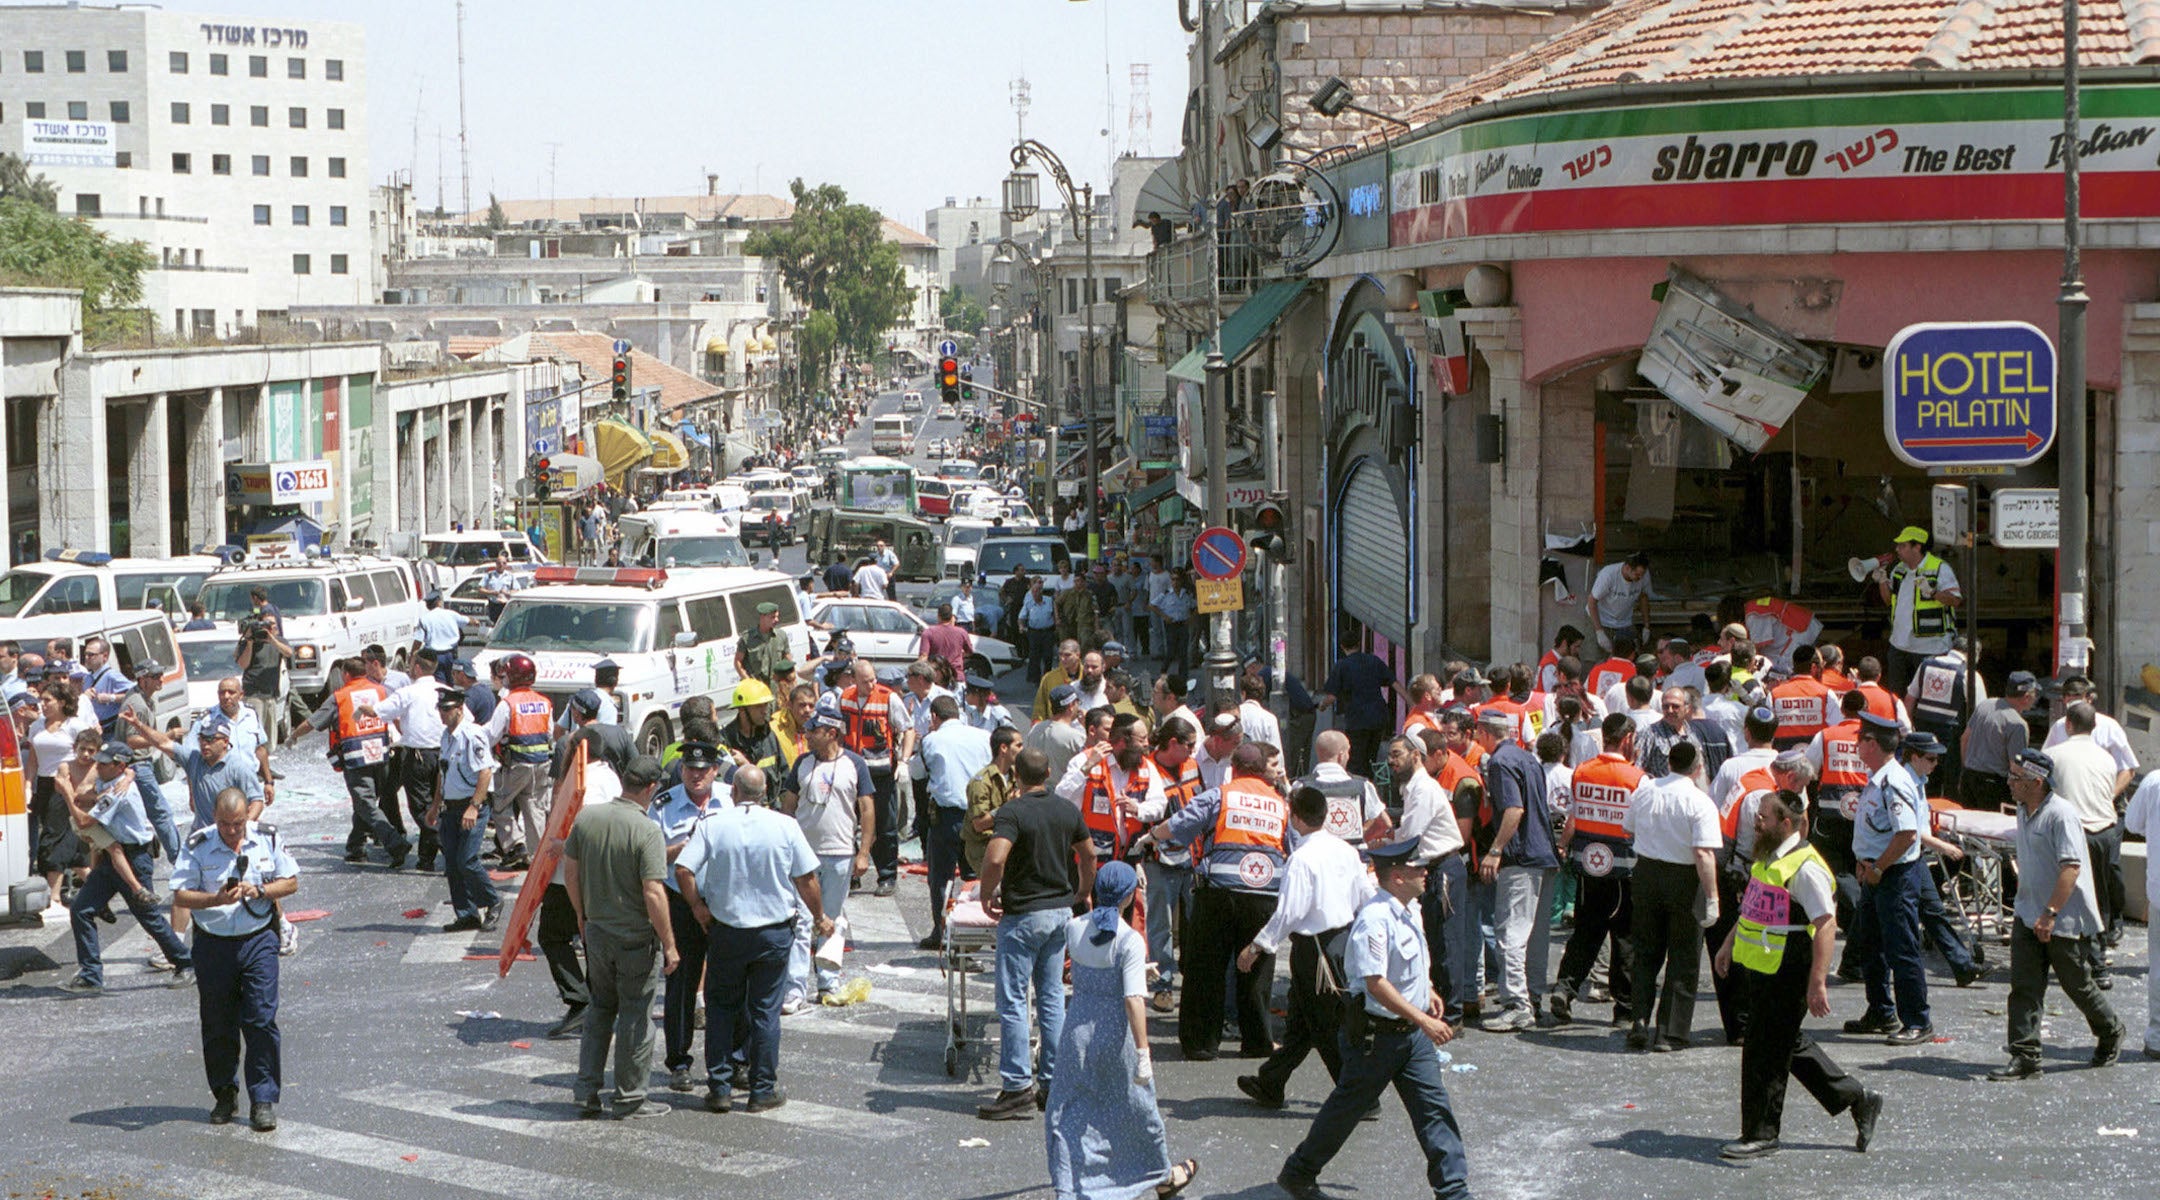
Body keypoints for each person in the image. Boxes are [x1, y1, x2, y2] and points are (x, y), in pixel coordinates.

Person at [1275, 836, 1471, 1200]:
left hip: (1410, 1037)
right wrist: (1425, 1020)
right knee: (1345, 1112)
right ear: (1397, 876)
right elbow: (1376, 983)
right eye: (1416, 868)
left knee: (1434, 1113)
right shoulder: (1375, 918)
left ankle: (1454, 1192)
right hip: (1375, 1039)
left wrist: (1426, 988)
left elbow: (1410, 962)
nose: (1424, 872)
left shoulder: (1409, 908)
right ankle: (1298, 1172)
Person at [1710, 789, 1881, 1159]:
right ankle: (1857, 1097)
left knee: (1764, 1050)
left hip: (1790, 966)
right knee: (1784, 1041)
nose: (1756, 823)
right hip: (1764, 965)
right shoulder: (1768, 858)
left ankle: (1761, 1133)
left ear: (1785, 823)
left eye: (1764, 818)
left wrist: (1817, 982)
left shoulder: (1805, 867)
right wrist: (1727, 944)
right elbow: (1753, 909)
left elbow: (1825, 925)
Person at [678, 763, 833, 1114]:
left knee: (721, 1010)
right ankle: (762, 1088)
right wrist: (821, 917)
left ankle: (719, 1087)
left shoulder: (713, 825)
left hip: (727, 932)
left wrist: (698, 908)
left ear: (733, 792)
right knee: (765, 1011)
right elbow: (807, 879)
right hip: (772, 933)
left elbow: (683, 869)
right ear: (765, 794)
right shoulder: (785, 826)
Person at [1044, 860, 1201, 1200]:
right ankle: (1158, 1175)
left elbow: (1083, 970)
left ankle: (1068, 1185)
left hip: (1077, 1030)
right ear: (1130, 896)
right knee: (1135, 1108)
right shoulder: (1129, 940)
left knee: (1069, 1108)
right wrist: (1144, 1051)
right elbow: (1132, 999)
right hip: (1115, 1034)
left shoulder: (1074, 927)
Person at [1987, 749, 2125, 1080]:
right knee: (2024, 987)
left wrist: (2050, 914)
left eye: (2016, 778)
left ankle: (2110, 1030)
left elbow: (2071, 868)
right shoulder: (2023, 809)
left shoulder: (2060, 815)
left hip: (2062, 918)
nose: (2009, 783)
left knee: (2077, 984)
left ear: (2037, 782)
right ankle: (2025, 1055)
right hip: (2028, 911)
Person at [1149, 743, 1289, 1061]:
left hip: (1219, 891)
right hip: (1264, 894)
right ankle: (1256, 1042)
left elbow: (1181, 823)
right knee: (1257, 969)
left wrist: (1154, 836)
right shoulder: (1280, 804)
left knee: (1205, 967)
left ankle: (1201, 1043)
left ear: (1235, 768)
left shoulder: (1221, 795)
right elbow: (1291, 845)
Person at [1237, 784, 1373, 1109]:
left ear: (1295, 818)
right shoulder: (1345, 850)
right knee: (1303, 1021)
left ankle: (1359, 1096)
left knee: (1324, 1025)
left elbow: (1290, 912)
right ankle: (1272, 1081)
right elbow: (1365, 895)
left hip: (1315, 950)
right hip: (1340, 941)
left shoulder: (1302, 858)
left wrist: (1256, 947)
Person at [171, 787, 298, 1132]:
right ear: (215, 819)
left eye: (238, 824)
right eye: (225, 825)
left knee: (260, 1018)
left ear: (247, 818)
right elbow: (180, 893)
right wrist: (215, 899)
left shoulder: (267, 838)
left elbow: (291, 883)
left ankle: (263, 1100)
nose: (232, 831)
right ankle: (225, 1094)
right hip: (213, 943)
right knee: (218, 1023)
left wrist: (260, 891)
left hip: (258, 938)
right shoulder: (199, 843)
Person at [977, 748, 1094, 1120]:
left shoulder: (1012, 811)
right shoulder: (1066, 809)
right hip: (1059, 912)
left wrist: (985, 893)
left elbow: (995, 857)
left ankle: (1016, 1086)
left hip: (1024, 913)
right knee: (1052, 997)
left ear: (1018, 777)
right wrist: (1082, 891)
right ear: (1047, 773)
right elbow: (1088, 854)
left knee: (1013, 1001)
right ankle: (1052, 1081)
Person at [565, 753, 679, 1119]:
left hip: (597, 931)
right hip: (634, 937)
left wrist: (582, 916)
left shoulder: (588, 818)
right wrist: (670, 944)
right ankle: (630, 1096)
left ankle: (586, 1091)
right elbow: (653, 892)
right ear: (650, 788)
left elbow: (571, 872)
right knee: (635, 1015)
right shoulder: (646, 830)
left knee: (599, 1009)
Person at [59, 738, 197, 993]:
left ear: (118, 766)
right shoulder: (112, 779)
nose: (97, 766)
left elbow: (86, 820)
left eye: (104, 763)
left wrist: (67, 794)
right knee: (81, 909)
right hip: (113, 856)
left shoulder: (117, 793)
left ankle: (185, 963)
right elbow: (97, 788)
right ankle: (91, 975)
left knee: (148, 917)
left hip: (134, 858)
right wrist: (129, 774)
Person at [1622, 739, 1721, 1051]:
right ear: (1697, 768)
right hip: (1684, 879)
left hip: (1647, 874)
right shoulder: (1700, 801)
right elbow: (1704, 854)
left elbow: (1628, 829)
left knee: (1645, 951)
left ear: (1669, 763)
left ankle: (1638, 1018)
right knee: (1683, 956)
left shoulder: (1646, 790)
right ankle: (1670, 1032)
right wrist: (1713, 896)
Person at [1842, 711, 1933, 1044]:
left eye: (1861, 740)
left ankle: (1918, 1021)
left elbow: (1907, 833)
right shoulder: (1878, 777)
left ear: (1872, 743)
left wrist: (1878, 867)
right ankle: (1880, 1011)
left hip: (1893, 875)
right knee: (1871, 947)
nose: (1856, 745)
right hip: (1876, 872)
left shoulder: (1893, 780)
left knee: (1901, 948)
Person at [775, 696, 873, 1008]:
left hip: (841, 854)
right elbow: (788, 807)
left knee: (829, 919)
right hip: (804, 858)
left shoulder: (855, 764)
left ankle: (828, 983)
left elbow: (867, 809)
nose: (807, 733)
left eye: (814, 729)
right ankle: (795, 987)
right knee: (803, 920)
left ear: (831, 733)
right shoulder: (802, 764)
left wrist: (864, 852)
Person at [1475, 710, 1560, 1031]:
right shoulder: (1528, 758)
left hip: (1521, 857)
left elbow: (1514, 809)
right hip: (1544, 855)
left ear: (1484, 733)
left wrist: (1495, 850)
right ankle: (1533, 997)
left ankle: (1517, 1004)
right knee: (1536, 937)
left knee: (1510, 935)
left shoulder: (1499, 763)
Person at [650, 741, 724, 1085]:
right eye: (690, 769)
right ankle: (678, 1061)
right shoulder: (664, 805)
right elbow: (648, 857)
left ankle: (730, 1061)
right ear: (681, 770)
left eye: (704, 769)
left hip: (724, 903)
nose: (696, 776)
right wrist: (675, 851)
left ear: (716, 770)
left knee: (728, 984)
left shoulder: (731, 799)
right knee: (680, 982)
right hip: (680, 902)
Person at [291, 658, 408, 869]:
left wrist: (294, 736)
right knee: (363, 802)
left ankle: (395, 842)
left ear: (346, 674)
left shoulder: (340, 696)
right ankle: (356, 847)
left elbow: (313, 722)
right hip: (381, 755)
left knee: (365, 803)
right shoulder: (380, 691)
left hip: (356, 757)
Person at [2047, 700, 2130, 985]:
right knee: (2099, 899)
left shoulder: (2053, 755)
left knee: (2067, 896)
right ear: (2094, 728)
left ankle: (2080, 962)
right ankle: (2098, 965)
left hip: (2075, 832)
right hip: (2105, 831)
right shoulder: (2107, 758)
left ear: (2067, 724)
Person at [362, 652, 449, 873]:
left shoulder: (408, 692)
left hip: (418, 756)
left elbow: (378, 711)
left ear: (418, 668)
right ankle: (426, 859)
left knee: (421, 808)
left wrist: (361, 707)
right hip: (445, 755)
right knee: (436, 804)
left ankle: (449, 845)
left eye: (411, 665)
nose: (409, 669)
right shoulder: (446, 692)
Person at [920, 695, 993, 949]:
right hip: (980, 815)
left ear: (934, 717)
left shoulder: (931, 740)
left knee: (941, 877)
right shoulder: (983, 736)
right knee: (976, 876)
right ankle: (979, 930)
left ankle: (941, 932)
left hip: (946, 815)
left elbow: (922, 772)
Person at [838, 658, 911, 897]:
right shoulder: (845, 697)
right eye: (866, 681)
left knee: (885, 825)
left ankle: (887, 876)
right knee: (848, 824)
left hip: (880, 773)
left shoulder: (888, 698)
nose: (872, 685)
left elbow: (907, 728)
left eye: (873, 679)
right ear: (854, 680)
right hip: (851, 772)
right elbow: (839, 730)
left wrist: (903, 761)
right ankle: (852, 875)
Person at [430, 687, 500, 933]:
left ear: (459, 709)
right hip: (450, 807)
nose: (442, 714)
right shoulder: (446, 736)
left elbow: (485, 771)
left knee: (467, 860)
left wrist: (474, 806)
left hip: (472, 806)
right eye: (440, 709)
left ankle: (493, 901)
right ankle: (467, 914)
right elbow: (443, 771)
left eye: (447, 709)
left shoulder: (472, 735)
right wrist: (435, 804)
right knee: (452, 864)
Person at [484, 653, 556, 871]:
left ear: (512, 676)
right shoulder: (544, 702)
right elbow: (550, 733)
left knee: (500, 805)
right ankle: (539, 858)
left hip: (515, 766)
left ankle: (516, 845)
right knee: (534, 809)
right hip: (542, 765)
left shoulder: (508, 704)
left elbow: (491, 735)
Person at [1869, 527, 1961, 692]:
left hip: (1930, 647)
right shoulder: (1899, 569)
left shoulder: (1940, 568)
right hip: (1899, 644)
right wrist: (1882, 581)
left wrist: (1932, 592)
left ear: (1917, 547)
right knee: (1897, 693)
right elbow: (1889, 600)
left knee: (1929, 695)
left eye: (1902, 546)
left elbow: (1955, 600)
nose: (1897, 549)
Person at [1318, 631, 1396, 778]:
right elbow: (1394, 683)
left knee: (1356, 761)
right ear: (1359, 644)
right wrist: (1411, 702)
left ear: (1342, 646)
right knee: (1371, 757)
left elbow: (1332, 697)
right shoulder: (1373, 661)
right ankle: (1369, 786)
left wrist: (1322, 705)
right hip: (1378, 718)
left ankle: (1357, 789)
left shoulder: (1342, 666)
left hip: (1357, 720)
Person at [1962, 670, 2037, 812]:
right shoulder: (2017, 724)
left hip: (1969, 778)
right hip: (1993, 787)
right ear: (2027, 697)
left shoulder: (1985, 705)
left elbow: (1964, 739)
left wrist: (1966, 770)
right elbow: (2016, 767)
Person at [232, 587, 292, 752]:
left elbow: (288, 652)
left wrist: (272, 639)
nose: (269, 627)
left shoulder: (279, 641)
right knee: (254, 737)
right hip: (254, 694)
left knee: (270, 739)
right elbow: (243, 664)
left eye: (272, 624)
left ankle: (267, 769)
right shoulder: (250, 642)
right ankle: (257, 769)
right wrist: (250, 641)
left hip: (271, 694)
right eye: (266, 624)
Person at [964, 726, 1022, 876]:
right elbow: (979, 824)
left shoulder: (1017, 776)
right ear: (1003, 748)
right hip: (984, 847)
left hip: (1008, 841)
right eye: (1018, 745)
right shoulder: (982, 782)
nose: (1022, 750)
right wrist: (1008, 807)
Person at [1589, 552, 1653, 652]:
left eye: (1642, 575)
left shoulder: (1643, 575)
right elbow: (1592, 601)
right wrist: (1599, 631)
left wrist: (1646, 626)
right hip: (1602, 619)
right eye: (1637, 574)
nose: (1640, 578)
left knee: (1633, 652)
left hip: (1624, 621)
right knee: (1601, 656)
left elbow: (1643, 597)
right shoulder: (1608, 575)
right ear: (1627, 568)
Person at [415, 592, 471, 678]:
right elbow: (468, 621)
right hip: (451, 655)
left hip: (434, 656)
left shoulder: (424, 619)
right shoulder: (451, 614)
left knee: (439, 682)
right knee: (451, 682)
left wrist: (413, 655)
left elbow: (418, 641)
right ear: (439, 602)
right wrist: (477, 622)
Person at [735, 601, 791, 686]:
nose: (776, 620)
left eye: (777, 617)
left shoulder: (781, 636)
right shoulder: (747, 638)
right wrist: (748, 681)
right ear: (762, 617)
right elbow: (738, 661)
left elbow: (788, 660)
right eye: (772, 617)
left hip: (776, 687)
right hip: (756, 689)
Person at [920, 602, 973, 679]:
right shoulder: (962, 632)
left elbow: (923, 657)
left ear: (938, 616)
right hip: (956, 676)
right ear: (952, 617)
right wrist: (959, 654)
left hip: (937, 677)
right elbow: (969, 652)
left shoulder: (928, 633)